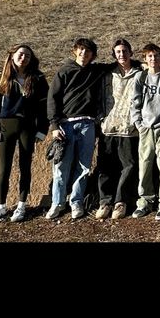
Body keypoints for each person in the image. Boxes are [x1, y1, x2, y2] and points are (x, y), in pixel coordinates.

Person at [0, 44, 49, 224]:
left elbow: (44, 108)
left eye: (27, 55)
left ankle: (21, 205)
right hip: (6, 126)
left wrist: (42, 130)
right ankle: (1, 207)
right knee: (4, 168)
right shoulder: (1, 77)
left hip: (28, 127)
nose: (23, 58)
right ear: (12, 56)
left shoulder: (38, 78)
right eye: (20, 54)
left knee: (25, 166)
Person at [46, 37, 108, 219]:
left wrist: (141, 64)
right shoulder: (64, 71)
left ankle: (76, 202)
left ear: (93, 55)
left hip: (88, 125)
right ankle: (57, 203)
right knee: (61, 167)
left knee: (83, 166)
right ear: (75, 51)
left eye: (88, 51)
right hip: (65, 124)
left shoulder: (96, 70)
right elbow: (53, 99)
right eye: (80, 50)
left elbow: (119, 63)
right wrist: (54, 125)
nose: (84, 53)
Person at [94, 39, 142, 220]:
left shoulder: (140, 74)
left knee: (128, 166)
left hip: (129, 129)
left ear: (131, 52)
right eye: (118, 52)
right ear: (114, 55)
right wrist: (100, 119)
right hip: (108, 128)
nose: (121, 54)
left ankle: (121, 202)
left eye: (124, 51)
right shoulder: (107, 74)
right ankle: (105, 202)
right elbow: (98, 98)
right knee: (105, 167)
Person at [131, 43, 160, 221]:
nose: (153, 59)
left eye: (156, 55)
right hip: (146, 128)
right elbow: (134, 102)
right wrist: (138, 123)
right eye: (149, 56)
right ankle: (145, 201)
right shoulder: (140, 77)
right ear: (145, 58)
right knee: (144, 164)